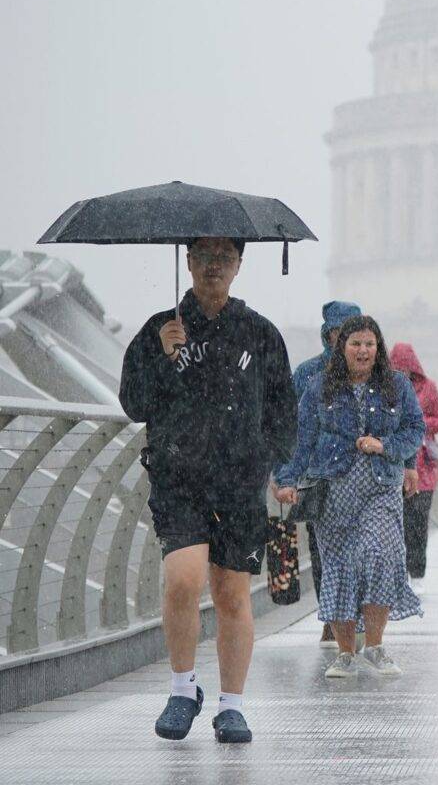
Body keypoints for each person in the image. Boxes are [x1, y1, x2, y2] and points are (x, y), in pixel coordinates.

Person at [119, 236, 297, 744]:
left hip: (239, 485)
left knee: (232, 594)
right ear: (189, 262)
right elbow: (134, 403)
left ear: (240, 265)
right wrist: (161, 355)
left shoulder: (259, 333)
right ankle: (182, 689)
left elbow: (284, 408)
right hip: (178, 479)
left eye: (225, 258)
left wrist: (271, 461)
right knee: (183, 578)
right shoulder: (161, 329)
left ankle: (232, 705)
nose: (214, 267)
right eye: (205, 257)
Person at [276, 316, 426, 679]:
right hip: (334, 489)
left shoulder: (397, 385)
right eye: (355, 343)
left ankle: (374, 645)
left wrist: (387, 446)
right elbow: (302, 438)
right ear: (341, 348)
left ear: (379, 348)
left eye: (369, 344)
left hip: (380, 487)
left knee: (379, 554)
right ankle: (345, 653)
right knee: (340, 566)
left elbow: (415, 428)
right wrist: (287, 478)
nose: (363, 350)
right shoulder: (319, 388)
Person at [283, 300, 361, 647]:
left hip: (361, 476)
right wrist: (285, 473)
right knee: (323, 550)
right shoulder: (307, 374)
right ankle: (331, 615)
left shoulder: (373, 372)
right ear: (327, 334)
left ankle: (353, 614)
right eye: (337, 332)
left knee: (359, 549)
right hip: (318, 476)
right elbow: (289, 425)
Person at [390, 342, 438, 584]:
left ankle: (418, 573)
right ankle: (398, 575)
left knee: (418, 524)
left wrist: (419, 423)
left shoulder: (428, 388)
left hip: (424, 471)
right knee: (396, 526)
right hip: (396, 468)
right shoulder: (386, 389)